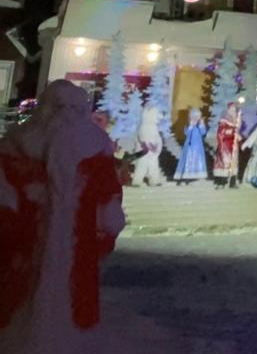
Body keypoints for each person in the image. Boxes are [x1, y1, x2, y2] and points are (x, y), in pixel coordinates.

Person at [0, 79, 125, 336]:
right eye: (60, 107)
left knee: (75, 297)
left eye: (72, 108)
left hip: (79, 239)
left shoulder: (95, 147)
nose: (65, 115)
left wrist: (107, 220)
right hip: (26, 238)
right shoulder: (18, 145)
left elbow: (108, 192)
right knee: (18, 296)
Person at [131, 105, 165, 187]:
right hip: (144, 150)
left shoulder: (154, 126)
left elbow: (157, 137)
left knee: (153, 165)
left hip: (152, 151)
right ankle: (137, 181)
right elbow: (141, 137)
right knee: (141, 165)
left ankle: (155, 180)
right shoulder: (143, 126)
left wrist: (157, 146)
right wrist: (149, 146)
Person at [174, 108, 207, 184]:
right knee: (188, 160)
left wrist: (202, 125)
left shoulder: (199, 125)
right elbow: (186, 133)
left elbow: (203, 132)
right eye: (194, 116)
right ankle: (186, 176)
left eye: (197, 116)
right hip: (189, 147)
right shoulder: (188, 124)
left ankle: (195, 175)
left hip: (198, 146)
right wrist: (191, 126)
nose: (196, 118)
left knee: (197, 160)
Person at [214, 102, 241, 188]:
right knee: (224, 163)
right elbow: (221, 133)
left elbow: (236, 130)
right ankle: (222, 182)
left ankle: (232, 182)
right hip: (225, 148)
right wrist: (231, 133)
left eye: (234, 110)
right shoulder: (223, 122)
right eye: (232, 109)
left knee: (233, 164)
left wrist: (237, 135)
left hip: (233, 147)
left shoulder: (235, 122)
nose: (233, 111)